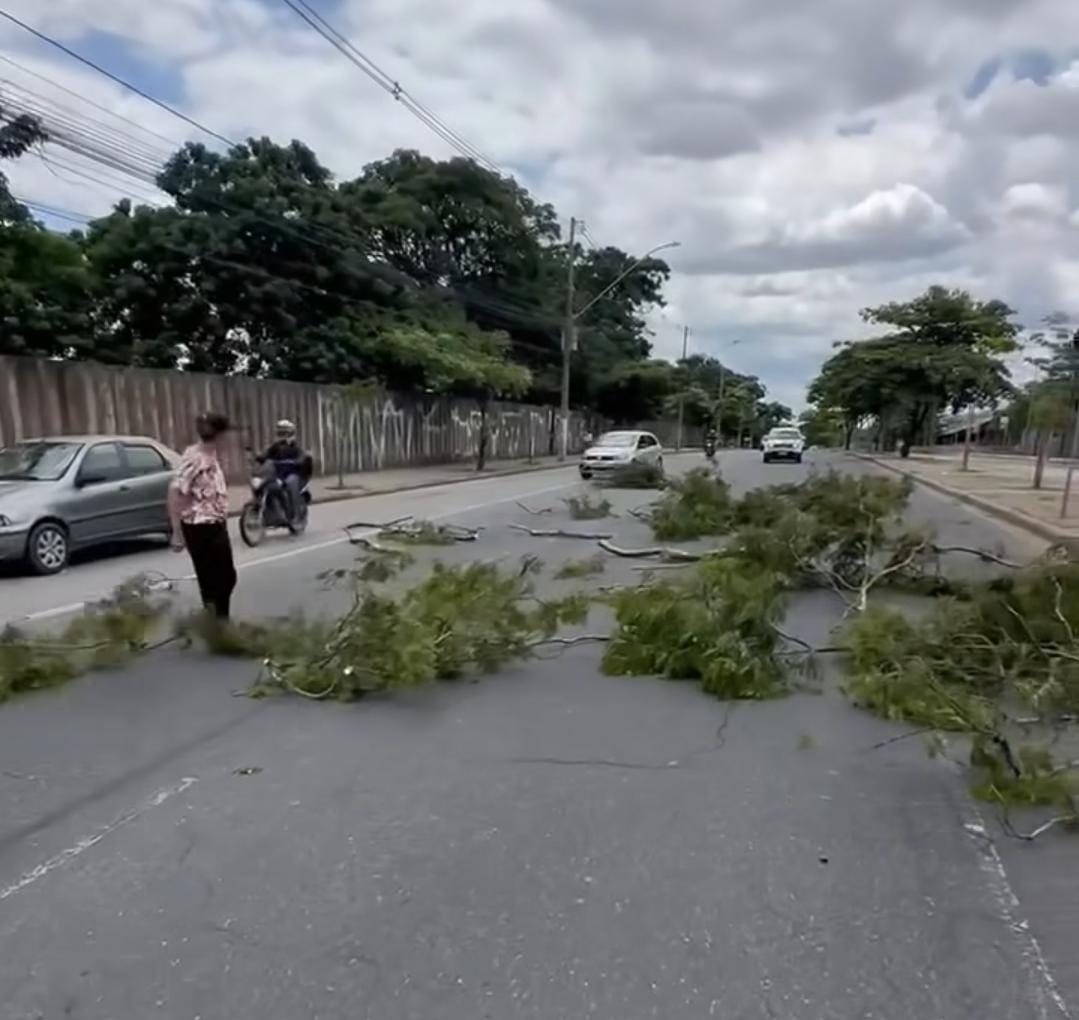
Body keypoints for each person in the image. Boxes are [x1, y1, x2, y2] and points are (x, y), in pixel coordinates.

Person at [169, 412, 237, 620]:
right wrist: (177, 532)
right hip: (199, 526)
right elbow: (174, 493)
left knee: (225, 577)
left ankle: (217, 620)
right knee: (214, 578)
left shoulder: (209, 454)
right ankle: (218, 623)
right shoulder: (196, 459)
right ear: (219, 435)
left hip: (215, 523)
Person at [259, 419, 310, 525]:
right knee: (265, 484)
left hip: (294, 474)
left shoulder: (296, 448)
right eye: (280, 432)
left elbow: (302, 456)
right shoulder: (275, 447)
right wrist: (259, 457)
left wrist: (297, 461)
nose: (282, 435)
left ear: (291, 433)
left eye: (284, 432)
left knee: (290, 484)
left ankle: (294, 514)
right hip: (279, 475)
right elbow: (266, 454)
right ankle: (270, 513)